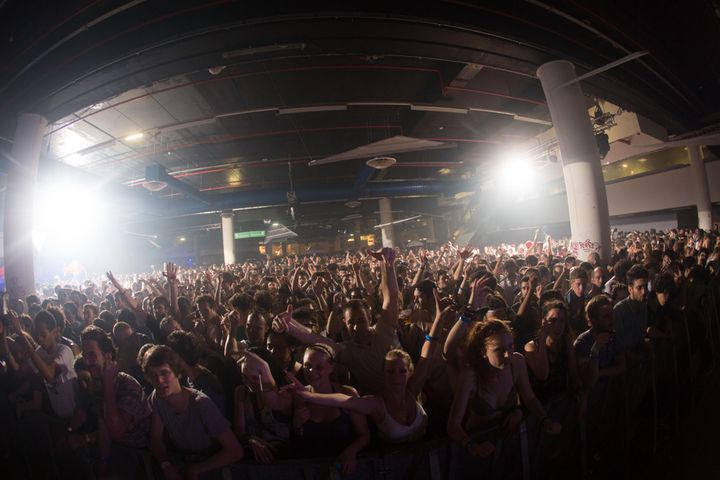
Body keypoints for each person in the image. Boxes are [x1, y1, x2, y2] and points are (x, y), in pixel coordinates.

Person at [283, 292, 450, 444]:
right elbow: (341, 400)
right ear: (383, 374)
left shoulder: (413, 390)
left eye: (402, 371)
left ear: (410, 372)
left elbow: (428, 351)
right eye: (390, 372)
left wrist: (439, 318)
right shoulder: (376, 404)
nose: (396, 377)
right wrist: (308, 396)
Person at [278, 247, 400, 395]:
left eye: (361, 321)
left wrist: (387, 265)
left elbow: (391, 297)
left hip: (407, 400)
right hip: (376, 409)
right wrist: (289, 325)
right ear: (344, 323)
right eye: (351, 323)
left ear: (370, 317)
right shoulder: (347, 351)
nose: (356, 327)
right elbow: (313, 337)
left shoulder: (384, 331)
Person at [448, 320, 561, 464]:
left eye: (510, 346)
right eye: (499, 349)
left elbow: (529, 398)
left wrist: (545, 420)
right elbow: (453, 425)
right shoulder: (471, 376)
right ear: (483, 352)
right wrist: (471, 446)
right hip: (478, 449)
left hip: (507, 447)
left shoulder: (517, 362)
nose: (508, 354)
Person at [144, 345, 243, 480]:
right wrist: (166, 465)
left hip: (211, 467)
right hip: (183, 463)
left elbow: (235, 451)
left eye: (164, 373)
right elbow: (155, 437)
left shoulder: (201, 404)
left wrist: (196, 469)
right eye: (152, 375)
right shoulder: (157, 397)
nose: (159, 381)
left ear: (177, 373)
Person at [80, 326, 152, 474]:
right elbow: (105, 429)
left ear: (108, 356)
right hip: (120, 450)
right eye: (85, 356)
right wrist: (103, 466)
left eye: (92, 355)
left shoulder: (127, 385)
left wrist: (107, 383)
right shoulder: (98, 385)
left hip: (142, 458)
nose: (87, 362)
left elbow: (117, 431)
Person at [10, 310, 77, 419]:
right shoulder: (40, 352)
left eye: (43, 334)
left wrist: (21, 334)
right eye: (37, 335)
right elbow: (19, 373)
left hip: (74, 415)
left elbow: (50, 375)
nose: (40, 339)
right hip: (56, 414)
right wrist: (4, 343)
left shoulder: (65, 351)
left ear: (55, 332)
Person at [524, 301, 580, 403]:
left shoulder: (566, 342)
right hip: (541, 402)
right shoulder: (531, 346)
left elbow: (573, 374)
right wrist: (542, 340)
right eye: (553, 320)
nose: (558, 325)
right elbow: (542, 375)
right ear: (543, 322)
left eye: (561, 321)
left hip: (562, 399)